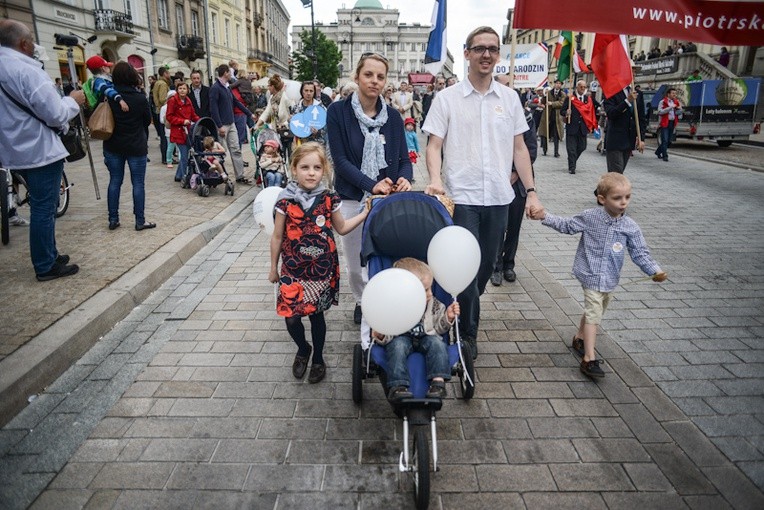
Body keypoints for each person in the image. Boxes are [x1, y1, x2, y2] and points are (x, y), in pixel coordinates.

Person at [422, 26, 541, 359]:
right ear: (467, 53)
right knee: (466, 268)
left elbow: (519, 148)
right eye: (479, 49)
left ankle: (463, 312)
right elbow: (434, 145)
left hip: (500, 197)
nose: (486, 54)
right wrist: (435, 178)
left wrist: (530, 191)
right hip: (462, 198)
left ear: (498, 54)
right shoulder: (446, 99)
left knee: (487, 266)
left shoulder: (510, 98)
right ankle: (467, 334)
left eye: (492, 48)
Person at [530, 173, 667, 378]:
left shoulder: (630, 226)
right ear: (602, 199)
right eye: (617, 198)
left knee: (596, 310)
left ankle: (579, 337)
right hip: (590, 274)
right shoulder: (590, 217)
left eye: (627, 197)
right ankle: (589, 358)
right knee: (594, 313)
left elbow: (640, 253)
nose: (623, 203)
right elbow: (567, 225)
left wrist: (655, 270)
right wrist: (545, 216)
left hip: (610, 278)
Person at [269, 142, 369, 383]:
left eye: (316, 167)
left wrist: (364, 213)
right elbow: (277, 236)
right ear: (294, 169)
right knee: (291, 317)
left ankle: (318, 359)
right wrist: (273, 267)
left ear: (324, 170)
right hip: (292, 267)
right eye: (304, 167)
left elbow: (342, 228)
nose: (311, 172)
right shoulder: (284, 201)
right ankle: (303, 349)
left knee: (316, 316)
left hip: (321, 267)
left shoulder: (329, 198)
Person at [327, 52, 413, 325]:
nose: (374, 81)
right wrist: (369, 184)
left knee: (386, 253)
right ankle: (363, 301)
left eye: (380, 76)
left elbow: (402, 159)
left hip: (386, 199)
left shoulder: (394, 118)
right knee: (354, 262)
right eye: (368, 75)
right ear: (356, 77)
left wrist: (405, 178)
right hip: (352, 197)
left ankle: (383, 298)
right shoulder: (338, 112)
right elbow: (339, 161)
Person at [0, 19, 84, 280]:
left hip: (14, 149)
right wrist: (73, 101)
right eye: (32, 40)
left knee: (40, 206)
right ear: (24, 44)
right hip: (39, 149)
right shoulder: (27, 70)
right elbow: (56, 114)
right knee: (43, 209)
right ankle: (46, 264)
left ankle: (49, 253)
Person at [372, 257, 458, 402]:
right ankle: (398, 386)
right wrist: (380, 334)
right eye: (425, 290)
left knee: (438, 345)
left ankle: (438, 382)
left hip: (427, 337)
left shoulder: (435, 305)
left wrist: (447, 318)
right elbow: (388, 333)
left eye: (430, 288)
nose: (430, 293)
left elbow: (439, 329)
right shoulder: (394, 307)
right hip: (401, 337)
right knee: (397, 347)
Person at [491, 85, 538, 286]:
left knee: (513, 227)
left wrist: (515, 173)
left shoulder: (526, 119)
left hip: (517, 184)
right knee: (496, 228)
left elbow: (530, 150)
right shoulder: (492, 117)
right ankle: (496, 266)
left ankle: (509, 264)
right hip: (495, 182)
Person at [102, 61, 153, 232]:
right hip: (136, 146)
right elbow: (147, 121)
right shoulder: (140, 98)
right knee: (138, 183)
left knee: (115, 181)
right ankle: (140, 220)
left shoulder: (109, 96)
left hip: (113, 145)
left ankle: (113, 218)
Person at [209, 63, 257, 184]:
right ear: (225, 73)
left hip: (231, 123)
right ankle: (220, 174)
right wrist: (219, 126)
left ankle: (239, 176)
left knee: (235, 149)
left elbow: (236, 102)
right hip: (222, 125)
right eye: (230, 72)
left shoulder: (227, 87)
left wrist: (249, 113)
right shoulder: (215, 88)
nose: (231, 75)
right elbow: (213, 109)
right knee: (221, 151)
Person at [603, 87, 645, 173]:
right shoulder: (611, 91)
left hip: (629, 140)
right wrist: (627, 101)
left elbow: (641, 118)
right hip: (615, 140)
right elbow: (611, 114)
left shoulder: (638, 93)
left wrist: (641, 138)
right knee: (616, 174)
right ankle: (604, 186)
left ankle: (604, 186)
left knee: (617, 174)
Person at [561, 80, 599, 174]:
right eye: (581, 87)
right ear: (577, 87)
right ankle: (572, 167)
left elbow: (593, 109)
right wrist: (566, 112)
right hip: (572, 127)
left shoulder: (587, 99)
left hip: (583, 128)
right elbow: (562, 110)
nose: (583, 89)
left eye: (584, 87)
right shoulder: (570, 98)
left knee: (582, 147)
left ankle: (572, 160)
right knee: (571, 149)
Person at [165, 82, 200, 182]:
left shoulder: (188, 100)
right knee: (184, 155)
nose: (182, 90)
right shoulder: (173, 101)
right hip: (178, 132)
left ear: (187, 90)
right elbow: (169, 116)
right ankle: (185, 176)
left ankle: (178, 175)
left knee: (187, 155)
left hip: (187, 132)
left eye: (184, 88)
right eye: (180, 88)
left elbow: (193, 114)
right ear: (177, 90)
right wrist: (182, 121)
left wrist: (200, 121)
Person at [290, 81, 327, 147]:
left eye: (311, 91)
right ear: (302, 91)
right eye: (306, 90)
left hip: (316, 145)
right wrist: (290, 121)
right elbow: (293, 126)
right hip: (300, 144)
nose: (308, 93)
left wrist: (318, 131)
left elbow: (327, 126)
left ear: (314, 92)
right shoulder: (296, 108)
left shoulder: (320, 108)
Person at [538, 79, 565, 157]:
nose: (558, 85)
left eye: (560, 83)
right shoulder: (549, 92)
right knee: (546, 133)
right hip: (547, 116)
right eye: (557, 83)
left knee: (556, 135)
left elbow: (562, 103)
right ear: (554, 84)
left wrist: (552, 103)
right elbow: (543, 102)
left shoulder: (562, 94)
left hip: (557, 118)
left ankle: (556, 152)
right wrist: (544, 96)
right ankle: (545, 150)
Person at [655, 87, 682, 162]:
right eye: (673, 93)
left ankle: (658, 151)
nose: (674, 95)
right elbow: (660, 112)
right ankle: (665, 156)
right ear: (668, 94)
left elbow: (678, 113)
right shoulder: (662, 102)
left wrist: (680, 109)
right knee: (665, 140)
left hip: (672, 123)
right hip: (665, 123)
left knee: (669, 141)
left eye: (675, 93)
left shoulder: (676, 102)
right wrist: (670, 108)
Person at [152, 67, 171, 164]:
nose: (170, 74)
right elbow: (163, 99)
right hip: (163, 111)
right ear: (164, 73)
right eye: (168, 72)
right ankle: (165, 158)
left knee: (163, 136)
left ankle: (165, 157)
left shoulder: (157, 83)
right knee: (165, 136)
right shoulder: (163, 84)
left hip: (158, 110)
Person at [158, 89, 177, 169]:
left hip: (178, 129)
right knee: (170, 146)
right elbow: (161, 120)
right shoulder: (164, 108)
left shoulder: (178, 106)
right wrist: (169, 120)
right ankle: (168, 160)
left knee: (179, 147)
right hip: (169, 129)